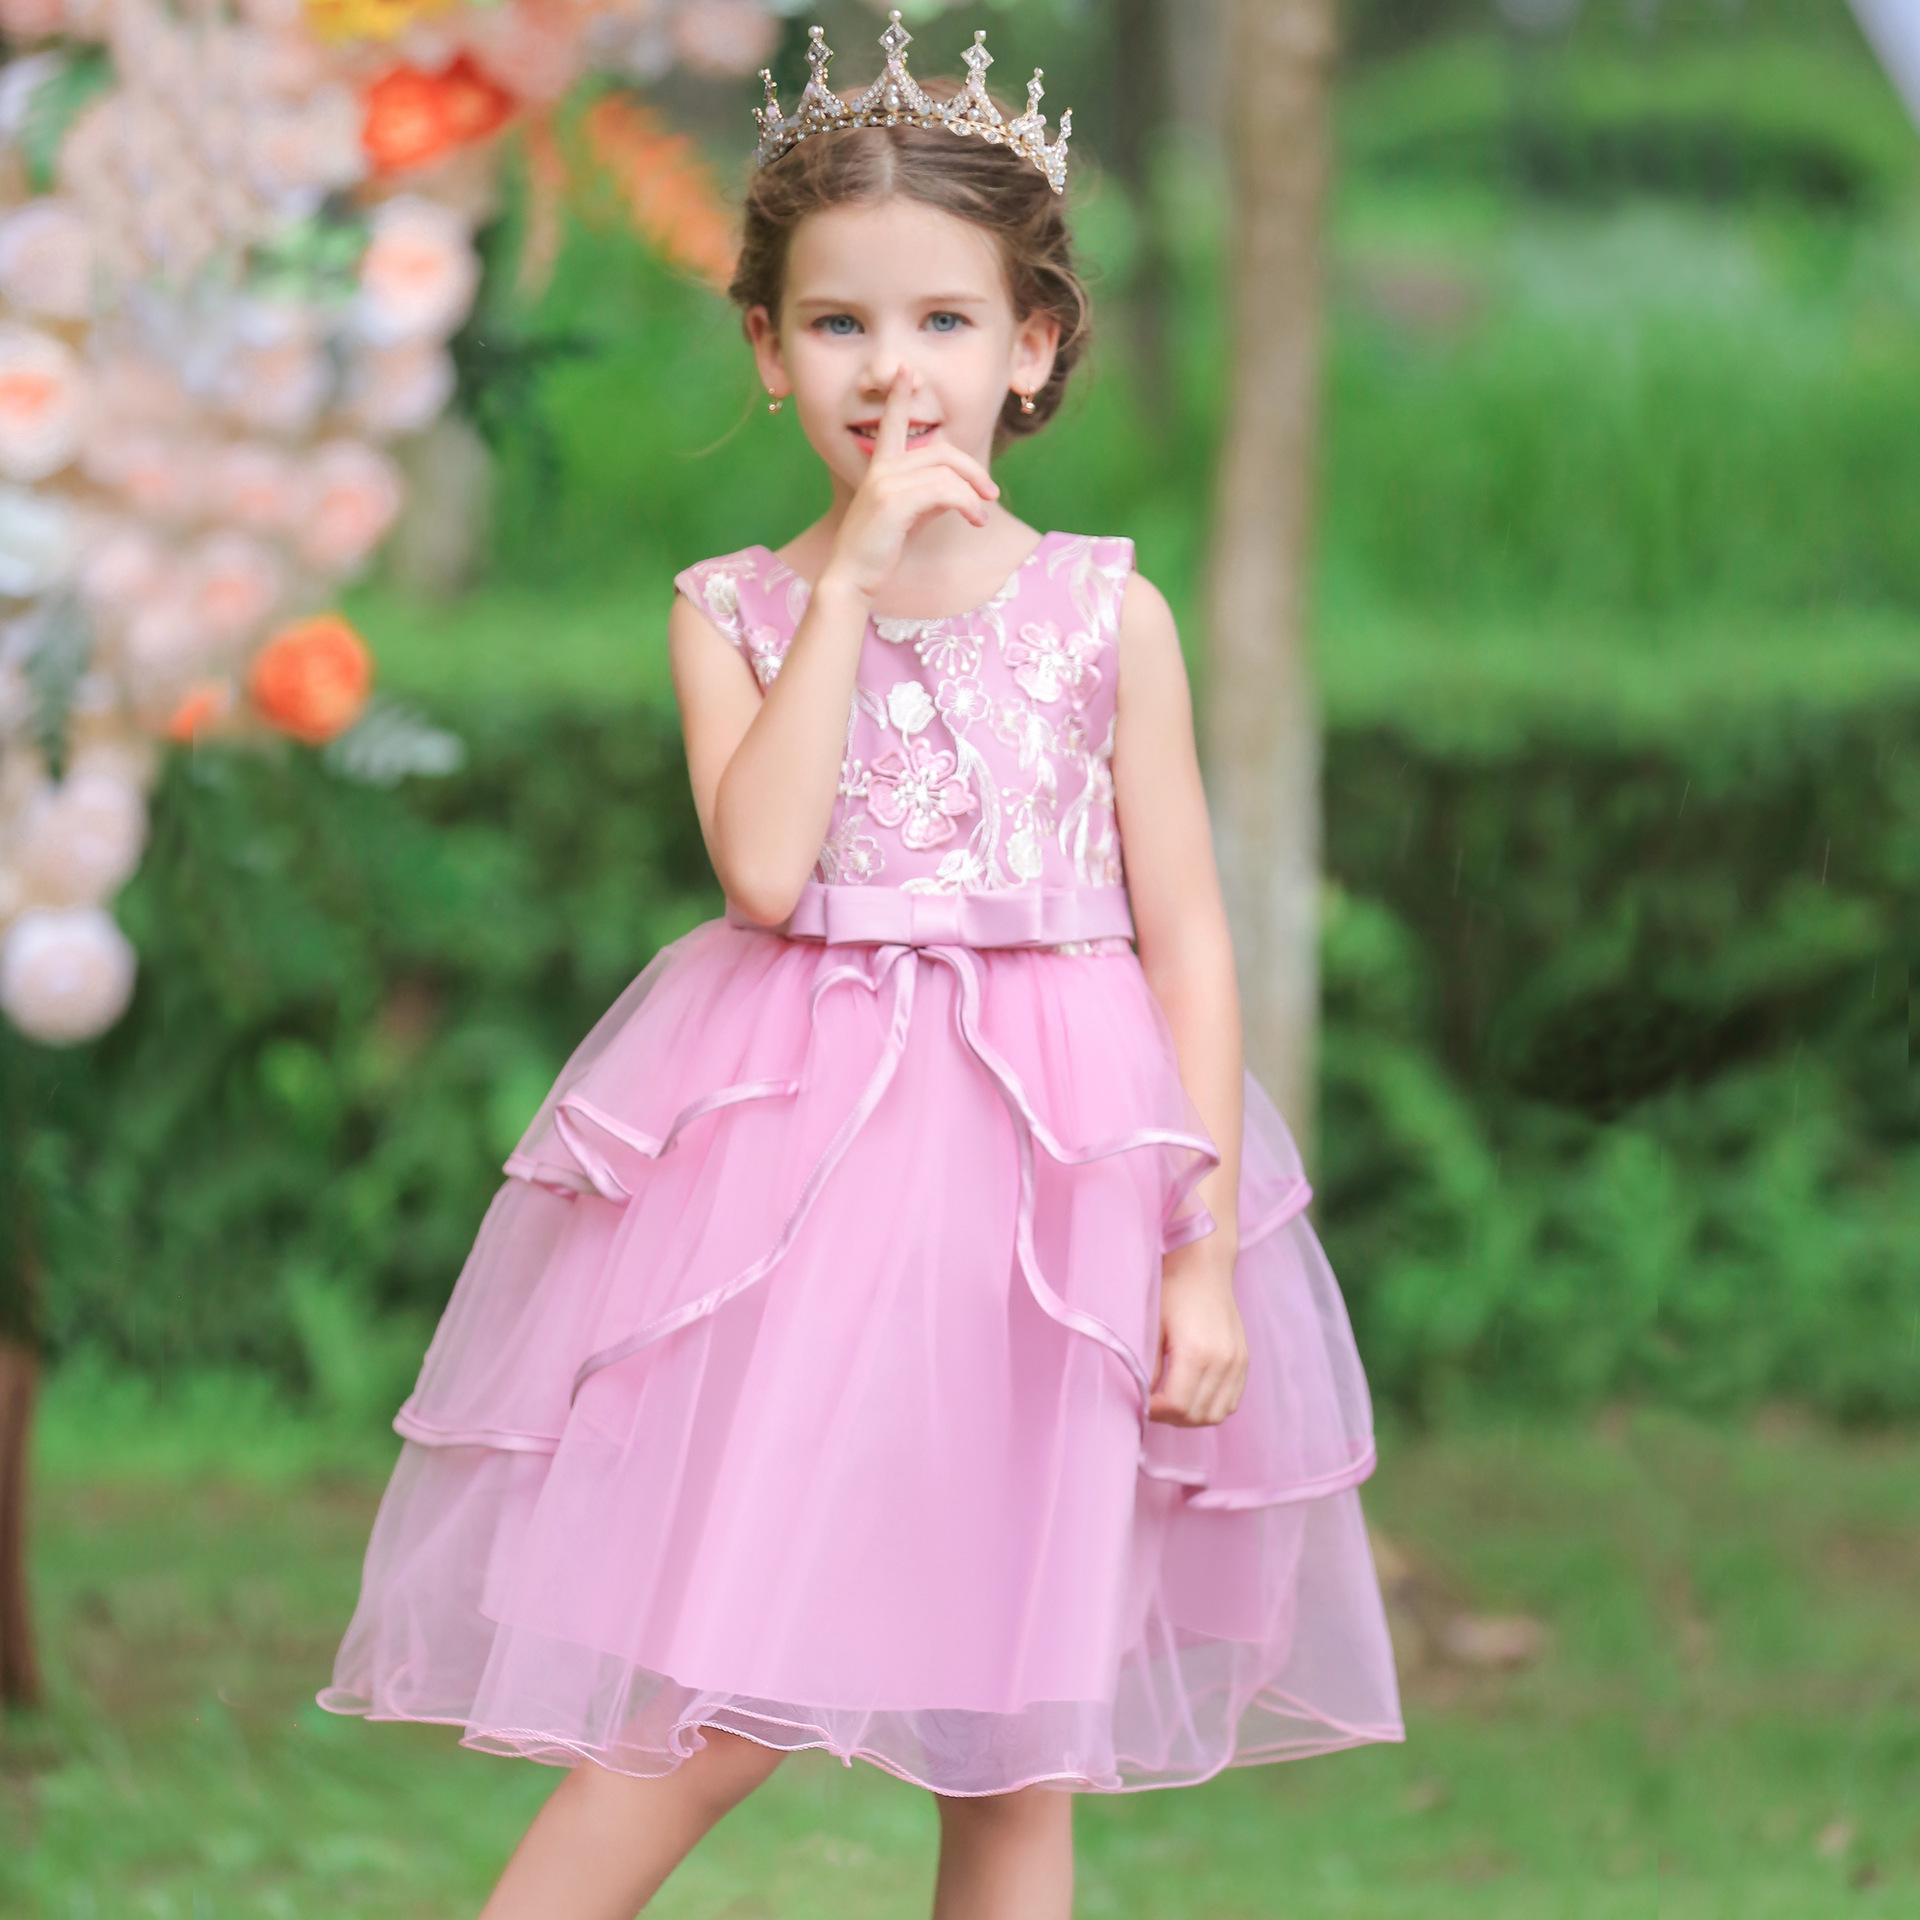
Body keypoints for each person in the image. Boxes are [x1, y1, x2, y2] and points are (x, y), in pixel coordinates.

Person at [318, 14, 1405, 1916]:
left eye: (945, 321)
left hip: (1056, 1211)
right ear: (766, 347)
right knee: (706, 1704)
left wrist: (1200, 1253)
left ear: (1032, 346)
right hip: (811, 1195)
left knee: (1019, 1739)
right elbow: (761, 868)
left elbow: (1188, 940)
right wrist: (846, 586)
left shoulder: (1109, 613)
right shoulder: (732, 611)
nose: (892, 368)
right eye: (837, 323)